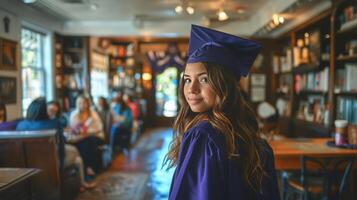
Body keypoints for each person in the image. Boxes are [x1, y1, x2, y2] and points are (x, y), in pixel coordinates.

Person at [165, 25, 280, 200]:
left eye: (204, 79)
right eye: (187, 80)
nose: (192, 89)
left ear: (224, 84)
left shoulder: (203, 136)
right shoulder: (252, 137)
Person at [16, 97, 95, 191]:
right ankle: (82, 184)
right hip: (51, 164)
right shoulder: (54, 123)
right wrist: (60, 167)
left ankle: (81, 183)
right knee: (78, 159)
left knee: (75, 154)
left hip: (27, 166)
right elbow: (61, 147)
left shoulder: (21, 125)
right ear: (45, 111)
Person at [69, 95, 104, 175]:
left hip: (97, 136)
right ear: (77, 104)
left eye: (84, 102)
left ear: (88, 103)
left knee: (89, 141)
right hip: (81, 138)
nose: (82, 105)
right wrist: (81, 132)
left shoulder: (93, 114)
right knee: (82, 143)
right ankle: (86, 168)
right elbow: (73, 129)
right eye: (80, 103)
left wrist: (86, 132)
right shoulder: (74, 114)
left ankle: (89, 167)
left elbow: (99, 128)